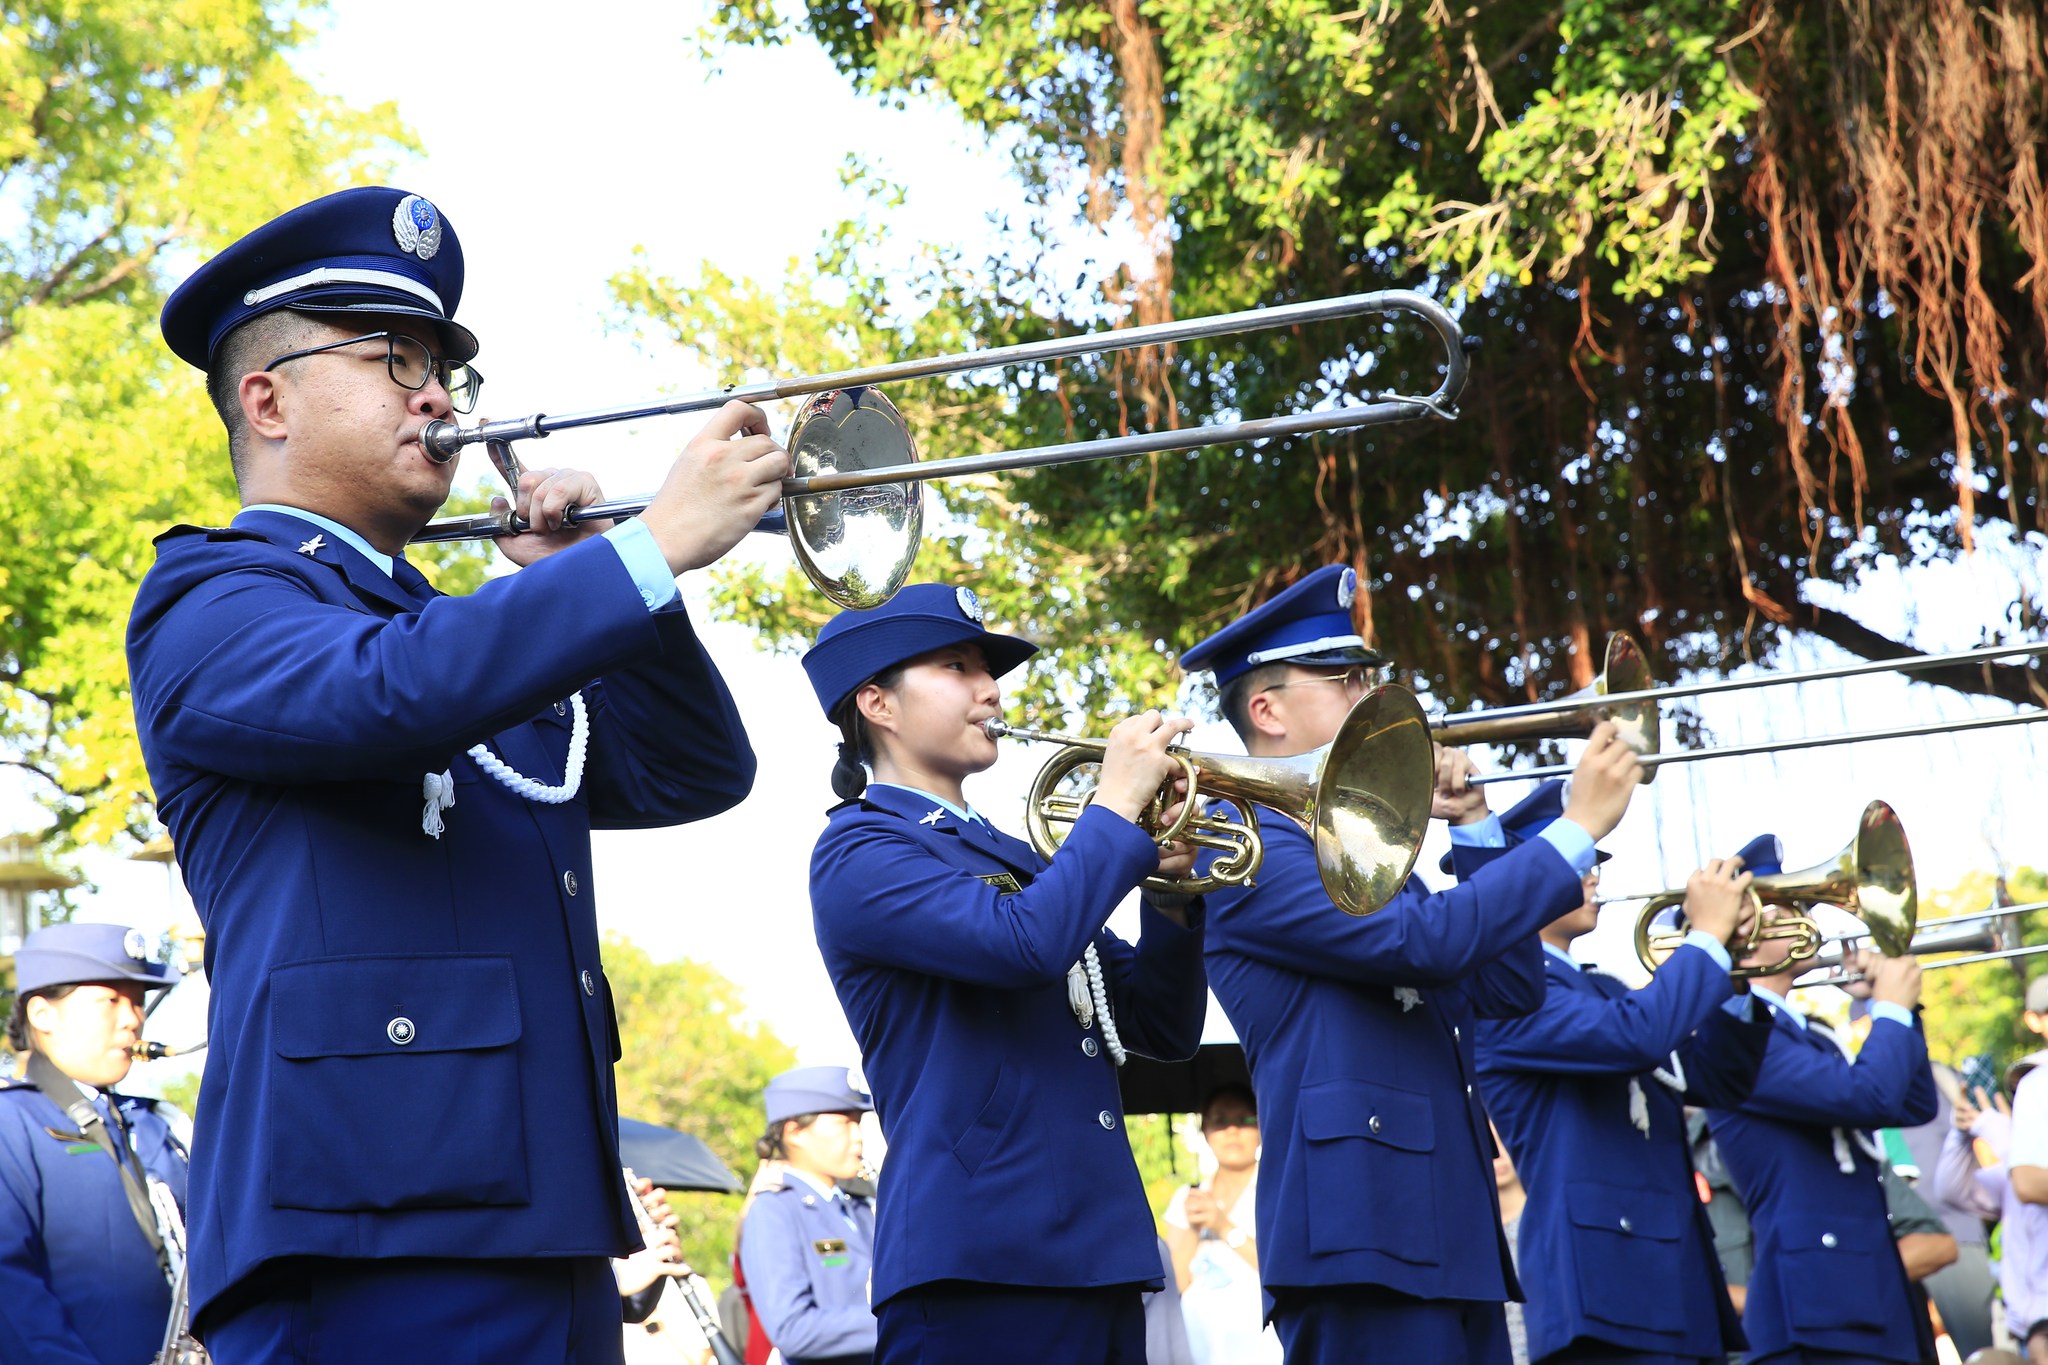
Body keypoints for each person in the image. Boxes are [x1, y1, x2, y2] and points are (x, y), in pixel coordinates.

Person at [127, 186, 781, 1364]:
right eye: (393, 359)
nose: (434, 396)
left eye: (441, 369)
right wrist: (640, 553)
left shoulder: (475, 633)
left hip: (551, 1222)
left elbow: (694, 771)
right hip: (359, 1224)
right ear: (266, 399)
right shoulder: (211, 598)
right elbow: (391, 690)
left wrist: (614, 587)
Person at [1177, 564, 1647, 1365]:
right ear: (1267, 709)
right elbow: (1425, 944)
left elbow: (1507, 985)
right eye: (1348, 678)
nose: (1376, 695)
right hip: (1359, 1234)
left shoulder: (1363, 857)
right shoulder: (1248, 845)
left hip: (1444, 1233)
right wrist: (1571, 833)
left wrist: (1474, 828)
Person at [801, 582, 1209, 1363]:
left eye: (986, 670)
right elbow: (1024, 945)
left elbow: (1161, 1025)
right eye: (957, 666)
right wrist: (1116, 806)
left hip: (1098, 1257)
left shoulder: (1017, 857)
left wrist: (1168, 891)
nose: (990, 689)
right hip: (980, 1265)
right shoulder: (860, 850)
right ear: (878, 703)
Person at [1474, 791, 1771, 1365]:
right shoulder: (1506, 995)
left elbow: (1719, 1081)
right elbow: (1634, 1036)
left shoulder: (1603, 990)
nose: (1593, 877)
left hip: (1675, 1275)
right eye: (1577, 863)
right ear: (1526, 877)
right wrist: (1705, 939)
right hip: (1601, 1282)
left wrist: (1730, 972)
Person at [1702, 834, 1938, 1365]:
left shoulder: (1802, 1034)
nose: (1810, 919)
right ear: (1747, 927)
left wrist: (1904, 1015)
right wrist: (1889, 1012)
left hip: (1864, 1290)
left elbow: (1911, 1105)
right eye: (1790, 908)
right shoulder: (1742, 1039)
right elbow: (1869, 1097)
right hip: (1812, 1306)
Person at [0, 921, 189, 1365]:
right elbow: (10, 1297)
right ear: (42, 1014)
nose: (133, 1019)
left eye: (138, 1001)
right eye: (111, 999)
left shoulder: (159, 1123)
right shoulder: (10, 1121)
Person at [735, 1065, 878, 1365]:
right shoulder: (774, 1211)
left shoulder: (859, 1207)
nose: (858, 1137)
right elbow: (792, 1329)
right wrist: (896, 1319)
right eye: (843, 1123)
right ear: (794, 1132)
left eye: (859, 1123)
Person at [1162, 1082, 1281, 1365]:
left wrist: (1222, 1225)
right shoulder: (1187, 1197)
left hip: (1261, 1345)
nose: (1232, 1131)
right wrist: (1192, 1228)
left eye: (1245, 1120)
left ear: (1262, 1128)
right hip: (1197, 1343)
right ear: (1205, 1131)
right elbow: (1176, 1282)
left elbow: (1279, 1268)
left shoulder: (1276, 1192)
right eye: (1220, 1120)